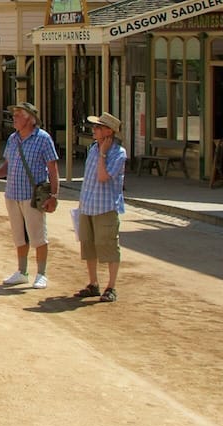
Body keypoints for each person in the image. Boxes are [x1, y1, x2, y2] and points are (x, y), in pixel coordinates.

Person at [0, 102, 60, 289]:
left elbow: (53, 169)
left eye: (18, 114)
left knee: (38, 236)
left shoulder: (43, 138)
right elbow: (8, 164)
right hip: (12, 193)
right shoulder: (13, 139)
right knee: (19, 236)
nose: (14, 117)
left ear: (30, 119)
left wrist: (54, 195)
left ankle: (41, 274)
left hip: (32, 195)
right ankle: (22, 271)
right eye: (14, 114)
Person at [75, 113, 129, 302]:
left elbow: (103, 176)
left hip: (105, 207)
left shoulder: (118, 153)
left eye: (98, 127)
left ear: (108, 131)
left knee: (108, 247)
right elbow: (88, 180)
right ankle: (93, 283)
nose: (94, 130)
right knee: (88, 245)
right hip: (88, 205)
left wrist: (103, 154)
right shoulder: (92, 149)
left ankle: (111, 287)